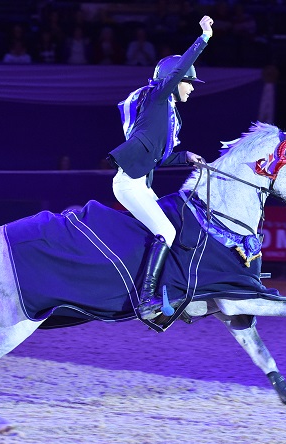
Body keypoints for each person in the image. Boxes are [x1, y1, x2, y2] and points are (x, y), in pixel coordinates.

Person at [107, 15, 213, 320]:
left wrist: (186, 157)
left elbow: (158, 158)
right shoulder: (156, 98)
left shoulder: (167, 114)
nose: (192, 88)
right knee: (166, 230)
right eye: (188, 82)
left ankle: (169, 290)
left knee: (171, 228)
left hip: (143, 183)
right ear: (173, 80)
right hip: (129, 183)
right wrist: (203, 38)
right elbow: (179, 67)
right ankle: (146, 300)